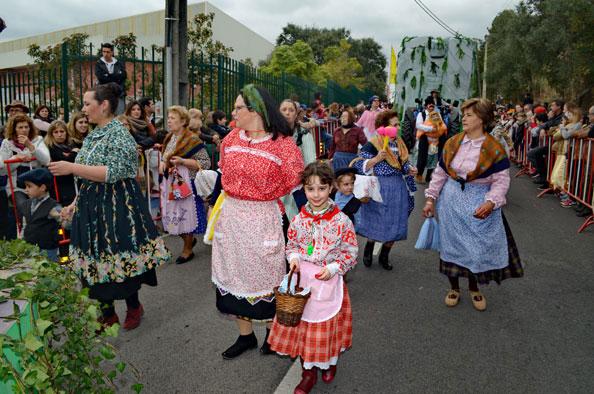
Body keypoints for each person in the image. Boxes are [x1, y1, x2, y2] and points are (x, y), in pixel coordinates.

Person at [48, 82, 169, 331]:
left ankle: (133, 306)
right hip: (91, 206)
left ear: (104, 105)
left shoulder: (120, 133)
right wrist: (74, 203)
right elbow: (88, 178)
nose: (83, 109)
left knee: (119, 258)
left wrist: (72, 168)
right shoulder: (93, 134)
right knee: (95, 260)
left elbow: (113, 172)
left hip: (115, 207)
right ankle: (107, 312)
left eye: (87, 104)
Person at [211, 84, 304, 359]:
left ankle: (271, 336)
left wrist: (309, 222)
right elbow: (221, 178)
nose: (233, 112)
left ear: (255, 111)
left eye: (238, 107)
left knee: (266, 277)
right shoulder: (230, 139)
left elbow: (296, 187)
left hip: (263, 218)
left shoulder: (283, 145)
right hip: (231, 217)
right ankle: (245, 336)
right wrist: (211, 209)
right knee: (232, 276)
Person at [423, 98, 523, 311]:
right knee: (451, 246)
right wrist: (431, 198)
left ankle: (474, 287)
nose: (464, 119)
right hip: (451, 202)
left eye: (469, 115)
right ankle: (454, 288)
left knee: (475, 250)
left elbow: (501, 181)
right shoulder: (453, 142)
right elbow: (441, 173)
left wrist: (491, 202)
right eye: (464, 114)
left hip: (479, 204)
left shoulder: (494, 148)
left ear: (483, 119)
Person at [267, 162, 358, 394]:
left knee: (327, 330)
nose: (316, 194)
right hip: (304, 284)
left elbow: (350, 251)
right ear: (303, 190)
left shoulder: (342, 221)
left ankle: (330, 363)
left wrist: (335, 267)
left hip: (328, 282)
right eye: (310, 189)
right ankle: (308, 373)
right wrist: (295, 257)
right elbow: (293, 245)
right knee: (303, 330)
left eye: (321, 188)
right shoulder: (298, 220)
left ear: (331, 188)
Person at [352, 111, 418, 270]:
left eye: (398, 124)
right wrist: (376, 159)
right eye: (394, 124)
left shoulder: (400, 144)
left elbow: (403, 164)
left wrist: (410, 169)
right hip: (379, 188)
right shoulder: (373, 144)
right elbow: (359, 165)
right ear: (383, 127)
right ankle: (368, 249)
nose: (398, 127)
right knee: (377, 220)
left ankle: (384, 256)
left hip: (398, 188)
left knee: (395, 222)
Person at [159, 105, 210, 264]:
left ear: (183, 121)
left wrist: (183, 161)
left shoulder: (192, 140)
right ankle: (189, 240)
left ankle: (188, 249)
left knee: (187, 216)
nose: (169, 121)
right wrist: (162, 163)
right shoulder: (169, 138)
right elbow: (165, 156)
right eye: (168, 118)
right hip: (171, 183)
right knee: (173, 218)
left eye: (172, 118)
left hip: (187, 184)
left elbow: (205, 163)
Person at [0, 114, 51, 232]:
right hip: (16, 186)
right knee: (24, 207)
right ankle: (27, 236)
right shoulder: (7, 143)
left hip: (37, 185)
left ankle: (38, 235)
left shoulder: (37, 140)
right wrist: (16, 158)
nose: (24, 130)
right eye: (20, 127)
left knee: (41, 210)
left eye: (26, 127)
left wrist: (30, 146)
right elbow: (2, 169)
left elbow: (46, 160)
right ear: (14, 129)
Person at [17, 168, 63, 260]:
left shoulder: (53, 206)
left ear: (42, 187)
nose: (26, 190)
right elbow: (25, 225)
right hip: (30, 248)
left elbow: (65, 223)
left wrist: (68, 217)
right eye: (25, 186)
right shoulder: (26, 204)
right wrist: (21, 241)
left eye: (29, 186)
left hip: (47, 249)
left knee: (47, 271)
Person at [528, 98, 564, 185]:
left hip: (558, 145)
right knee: (532, 153)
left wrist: (549, 121)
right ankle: (542, 174)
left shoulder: (561, 117)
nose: (551, 107)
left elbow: (553, 127)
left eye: (552, 105)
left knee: (534, 153)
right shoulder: (554, 116)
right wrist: (543, 128)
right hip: (552, 143)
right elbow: (547, 125)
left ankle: (544, 176)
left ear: (559, 106)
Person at [44, 120, 79, 207]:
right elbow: (65, 160)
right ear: (51, 134)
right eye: (56, 132)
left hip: (72, 182)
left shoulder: (70, 145)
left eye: (62, 131)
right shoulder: (51, 147)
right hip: (59, 185)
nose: (59, 135)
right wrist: (74, 153)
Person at [415, 99, 447, 183]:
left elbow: (441, 124)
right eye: (429, 104)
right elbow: (418, 126)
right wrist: (430, 129)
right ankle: (419, 175)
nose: (431, 105)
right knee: (422, 158)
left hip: (435, 141)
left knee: (434, 158)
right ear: (426, 105)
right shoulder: (421, 114)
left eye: (433, 104)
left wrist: (439, 130)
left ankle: (428, 176)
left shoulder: (438, 114)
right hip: (425, 139)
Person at [94, 43, 127, 115]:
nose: (105, 54)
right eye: (104, 52)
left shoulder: (119, 64)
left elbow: (123, 76)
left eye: (108, 52)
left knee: (119, 116)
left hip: (119, 94)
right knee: (105, 116)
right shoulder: (98, 64)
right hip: (104, 94)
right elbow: (101, 78)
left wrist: (108, 75)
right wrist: (116, 76)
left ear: (112, 52)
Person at [333, 167, 361, 231]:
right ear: (337, 185)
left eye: (352, 183)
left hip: (346, 233)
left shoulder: (355, 202)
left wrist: (352, 234)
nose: (350, 187)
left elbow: (357, 220)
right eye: (346, 184)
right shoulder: (331, 196)